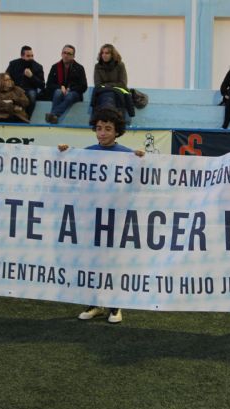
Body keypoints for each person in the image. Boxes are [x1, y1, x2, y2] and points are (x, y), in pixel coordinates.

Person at [58, 107, 144, 324]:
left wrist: (141, 162)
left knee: (112, 260)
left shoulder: (127, 155)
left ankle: (115, 305)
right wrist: (64, 156)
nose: (102, 133)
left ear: (117, 131)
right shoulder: (86, 153)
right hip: (90, 217)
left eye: (107, 129)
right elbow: (69, 179)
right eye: (99, 128)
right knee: (92, 261)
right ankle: (95, 303)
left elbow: (137, 186)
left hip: (116, 218)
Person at [45, 44, 88, 124]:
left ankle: (54, 114)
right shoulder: (55, 67)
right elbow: (49, 85)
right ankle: (54, 118)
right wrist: (60, 87)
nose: (66, 55)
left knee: (70, 95)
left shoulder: (79, 68)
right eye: (64, 53)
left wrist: (70, 89)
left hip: (74, 93)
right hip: (59, 92)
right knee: (58, 92)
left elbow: (83, 86)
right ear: (61, 54)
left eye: (69, 54)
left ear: (73, 56)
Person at [91, 44, 134, 120]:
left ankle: (115, 120)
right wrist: (111, 86)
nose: (104, 55)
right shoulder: (98, 66)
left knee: (113, 96)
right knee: (106, 97)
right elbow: (97, 84)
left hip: (118, 91)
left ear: (112, 55)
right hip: (103, 91)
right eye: (102, 53)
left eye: (107, 53)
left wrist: (108, 85)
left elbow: (123, 83)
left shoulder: (120, 65)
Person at [5, 45, 45, 117]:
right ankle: (11, 117)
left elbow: (42, 85)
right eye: (28, 56)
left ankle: (27, 117)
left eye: (32, 56)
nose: (31, 58)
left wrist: (31, 76)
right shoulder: (13, 64)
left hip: (30, 89)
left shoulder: (38, 66)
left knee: (32, 95)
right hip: (15, 88)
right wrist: (11, 85)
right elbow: (6, 77)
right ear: (22, 56)